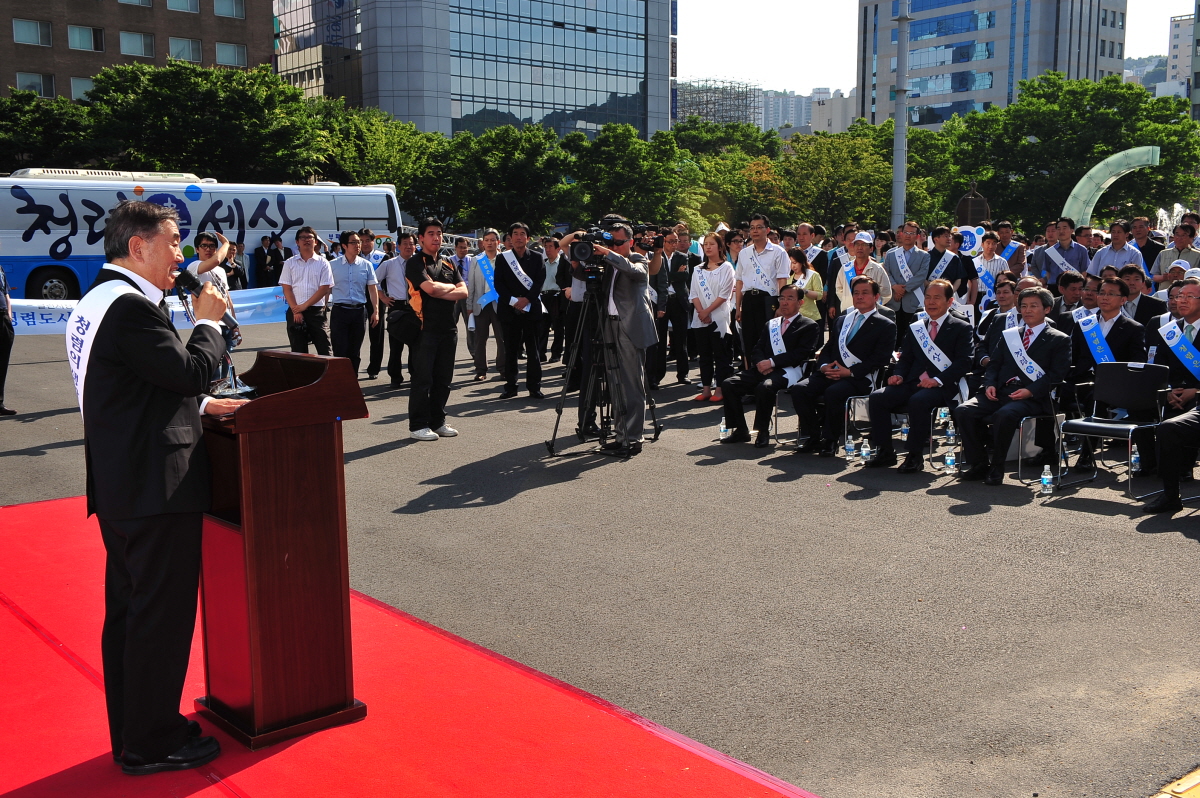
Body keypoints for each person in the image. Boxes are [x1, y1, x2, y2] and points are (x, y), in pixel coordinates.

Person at [66, 200, 245, 774]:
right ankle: (152, 739)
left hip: (124, 484)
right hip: (155, 488)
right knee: (159, 619)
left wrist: (196, 398)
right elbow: (189, 370)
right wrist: (209, 322)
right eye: (172, 242)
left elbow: (136, 387)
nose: (181, 254)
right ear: (137, 245)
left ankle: (134, 729)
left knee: (129, 614)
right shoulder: (129, 309)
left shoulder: (98, 301)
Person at [954, 287, 1071, 486]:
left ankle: (997, 467)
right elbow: (994, 365)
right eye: (1024, 306)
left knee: (1004, 415)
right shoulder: (1010, 335)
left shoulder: (1059, 339)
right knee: (963, 410)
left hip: (1033, 397)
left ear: (1047, 309)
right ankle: (978, 463)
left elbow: (1056, 375)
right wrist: (989, 384)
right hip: (1000, 391)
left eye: (1034, 306)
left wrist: (1030, 390)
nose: (1027, 310)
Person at [560, 220, 657, 455]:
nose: (613, 246)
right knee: (614, 382)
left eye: (618, 242)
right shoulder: (608, 264)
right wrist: (577, 257)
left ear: (631, 242)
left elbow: (635, 272)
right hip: (609, 325)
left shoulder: (637, 258)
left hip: (630, 327)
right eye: (611, 241)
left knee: (632, 383)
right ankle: (620, 433)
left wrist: (607, 253)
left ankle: (634, 438)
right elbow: (583, 274)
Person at [865, 280, 974, 472]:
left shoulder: (961, 327)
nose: (931, 302)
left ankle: (914, 456)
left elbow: (964, 362)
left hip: (942, 385)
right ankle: (885, 451)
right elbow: (906, 358)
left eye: (937, 298)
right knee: (877, 398)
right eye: (928, 297)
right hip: (912, 381)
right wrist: (898, 374)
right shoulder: (917, 327)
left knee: (919, 401)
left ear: (949, 302)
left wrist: (938, 380)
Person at [792, 276, 897, 456]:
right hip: (831, 371)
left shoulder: (885, 324)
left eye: (865, 293)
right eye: (856, 293)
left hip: (859, 377)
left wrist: (850, 372)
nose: (859, 297)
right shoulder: (843, 320)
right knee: (799, 390)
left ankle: (830, 440)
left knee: (834, 393)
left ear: (876, 297)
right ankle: (813, 436)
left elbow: (880, 358)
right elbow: (829, 347)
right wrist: (824, 365)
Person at [720, 284, 818, 447]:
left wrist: (772, 362)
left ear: (800, 302)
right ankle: (740, 429)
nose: (784, 302)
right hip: (763, 367)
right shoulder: (771, 324)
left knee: (765, 387)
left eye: (790, 298)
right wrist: (760, 363)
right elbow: (758, 348)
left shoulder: (808, 326)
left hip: (788, 371)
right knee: (729, 384)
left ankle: (762, 431)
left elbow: (801, 354)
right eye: (782, 298)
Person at [1067, 276, 1145, 471]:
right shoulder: (1084, 325)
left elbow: (1137, 364)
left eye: (1111, 294)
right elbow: (1073, 358)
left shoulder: (1133, 329)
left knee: (1096, 399)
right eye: (1101, 292)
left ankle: (1086, 454)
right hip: (1082, 379)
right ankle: (1046, 451)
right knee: (1049, 394)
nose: (1104, 297)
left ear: (1123, 299)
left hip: (1114, 383)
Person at [406, 218, 466, 441]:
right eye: (431, 233)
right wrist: (449, 289)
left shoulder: (449, 263)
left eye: (439, 233)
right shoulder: (415, 263)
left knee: (444, 379)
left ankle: (438, 421)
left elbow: (464, 292)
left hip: (448, 329)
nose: (436, 237)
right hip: (425, 329)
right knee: (423, 379)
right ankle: (418, 425)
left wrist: (444, 289)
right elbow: (429, 289)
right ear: (421, 237)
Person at [494, 222, 548, 399]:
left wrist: (527, 300)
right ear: (510, 237)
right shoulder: (503, 258)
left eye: (522, 233)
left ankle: (534, 387)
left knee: (533, 351)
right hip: (509, 309)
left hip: (531, 308)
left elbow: (539, 282)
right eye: (515, 233)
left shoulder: (537, 257)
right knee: (510, 349)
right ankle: (511, 386)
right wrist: (514, 301)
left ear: (528, 237)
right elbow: (499, 284)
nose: (518, 237)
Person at [735, 213, 790, 357]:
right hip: (748, 299)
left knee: (766, 340)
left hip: (768, 300)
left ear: (767, 229)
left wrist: (780, 305)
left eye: (759, 227)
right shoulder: (744, 253)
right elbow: (739, 281)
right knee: (748, 340)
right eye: (752, 227)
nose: (754, 230)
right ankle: (750, 374)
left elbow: (782, 280)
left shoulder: (779, 252)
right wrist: (738, 307)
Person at [689, 232, 736, 402]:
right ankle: (706, 388)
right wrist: (701, 312)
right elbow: (693, 293)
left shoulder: (727, 268)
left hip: (719, 318)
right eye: (706, 244)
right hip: (700, 317)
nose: (708, 247)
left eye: (712, 244)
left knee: (721, 354)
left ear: (719, 246)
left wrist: (707, 311)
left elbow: (724, 294)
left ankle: (720, 389)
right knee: (705, 355)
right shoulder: (697, 269)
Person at [327, 230, 380, 376]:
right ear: (344, 245)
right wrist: (323, 307)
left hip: (358, 312)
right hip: (339, 311)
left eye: (359, 242)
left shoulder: (366, 265)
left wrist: (375, 311)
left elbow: (372, 288)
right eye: (354, 242)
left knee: (354, 351)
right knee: (340, 351)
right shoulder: (332, 265)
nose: (358, 245)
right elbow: (326, 289)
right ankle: (339, 386)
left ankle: (352, 385)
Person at [373, 232, 419, 388]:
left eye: (411, 244)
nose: (408, 246)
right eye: (405, 243)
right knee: (396, 344)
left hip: (415, 306)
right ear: (398, 246)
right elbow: (374, 281)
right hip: (396, 306)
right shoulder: (389, 264)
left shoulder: (420, 263)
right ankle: (395, 377)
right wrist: (383, 298)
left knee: (416, 344)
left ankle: (415, 374)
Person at [279, 227, 334, 355]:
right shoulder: (290, 263)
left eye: (310, 237)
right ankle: (302, 376)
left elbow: (324, 288)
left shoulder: (323, 263)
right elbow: (287, 288)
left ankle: (328, 375)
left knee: (325, 349)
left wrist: (304, 306)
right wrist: (296, 310)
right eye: (302, 238)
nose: (306, 240)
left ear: (316, 242)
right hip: (295, 312)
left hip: (316, 312)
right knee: (298, 351)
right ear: (297, 242)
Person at [466, 228, 508, 382]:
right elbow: (471, 285)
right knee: (480, 339)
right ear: (482, 242)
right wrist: (469, 305)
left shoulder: (504, 259)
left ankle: (503, 369)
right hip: (481, 304)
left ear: (498, 242)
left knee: (501, 339)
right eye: (487, 240)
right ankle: (481, 370)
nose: (489, 243)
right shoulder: (477, 260)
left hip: (500, 304)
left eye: (492, 240)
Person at [881, 220, 930, 345]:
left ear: (917, 236)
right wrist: (894, 287)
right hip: (893, 301)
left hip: (913, 300)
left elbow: (921, 276)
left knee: (911, 336)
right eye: (906, 232)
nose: (908, 235)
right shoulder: (891, 254)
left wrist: (903, 289)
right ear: (901, 234)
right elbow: (886, 272)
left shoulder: (924, 256)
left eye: (912, 233)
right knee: (892, 335)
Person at [832, 230, 892, 311]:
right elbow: (839, 289)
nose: (860, 247)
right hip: (849, 312)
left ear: (871, 248)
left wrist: (872, 305)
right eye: (857, 244)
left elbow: (886, 293)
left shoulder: (878, 269)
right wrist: (848, 301)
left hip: (870, 313)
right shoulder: (846, 267)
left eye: (864, 244)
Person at [1032, 217, 1090, 293]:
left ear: (1072, 230)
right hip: (1054, 288)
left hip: (1074, 289)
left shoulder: (1081, 250)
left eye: (1064, 228)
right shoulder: (1049, 251)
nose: (1061, 231)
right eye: (1058, 228)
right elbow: (1048, 272)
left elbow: (1084, 271)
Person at [360, 229, 389, 380]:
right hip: (357, 299)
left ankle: (374, 368)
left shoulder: (382, 257)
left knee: (376, 335)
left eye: (367, 241)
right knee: (356, 335)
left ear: (373, 241)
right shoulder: (353, 257)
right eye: (361, 241)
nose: (364, 244)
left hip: (376, 298)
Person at [539, 236, 568, 362]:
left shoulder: (562, 263)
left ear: (558, 248)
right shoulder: (542, 264)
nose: (548, 249)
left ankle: (556, 353)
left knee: (558, 326)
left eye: (551, 246)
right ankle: (540, 353)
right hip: (543, 296)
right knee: (542, 326)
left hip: (557, 296)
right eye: (546, 246)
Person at [789, 245, 825, 346]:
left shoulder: (813, 275)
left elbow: (819, 295)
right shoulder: (789, 279)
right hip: (794, 319)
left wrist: (804, 291)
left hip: (810, 317)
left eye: (795, 263)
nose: (793, 266)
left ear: (802, 261)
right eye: (791, 263)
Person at [450, 237, 476, 355]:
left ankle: (474, 351)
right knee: (450, 323)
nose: (462, 250)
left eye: (465, 247)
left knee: (470, 324)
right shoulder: (448, 261)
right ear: (455, 247)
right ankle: (447, 349)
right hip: (453, 296)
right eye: (460, 247)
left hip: (468, 296)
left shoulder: (472, 261)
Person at [0, 257, 13, 415]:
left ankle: (0, 403)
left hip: (3, 317)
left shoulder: (0, 268)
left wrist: (9, 314)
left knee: (2, 362)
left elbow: (6, 293)